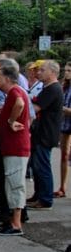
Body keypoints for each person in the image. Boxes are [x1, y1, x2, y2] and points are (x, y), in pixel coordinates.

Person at [0, 61, 30, 236]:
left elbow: (20, 104)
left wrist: (10, 120)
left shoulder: (15, 91)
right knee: (12, 182)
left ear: (7, 78)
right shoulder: (15, 92)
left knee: (15, 183)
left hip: (15, 146)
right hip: (12, 146)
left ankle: (16, 223)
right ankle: (13, 220)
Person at [28, 60, 64, 210]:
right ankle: (39, 194)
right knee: (37, 166)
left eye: (42, 70)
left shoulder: (52, 89)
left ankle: (45, 198)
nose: (38, 73)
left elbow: (35, 108)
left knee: (42, 166)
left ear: (52, 73)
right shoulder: (49, 88)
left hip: (46, 133)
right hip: (42, 132)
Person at [55, 62, 71, 198]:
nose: (66, 73)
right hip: (65, 125)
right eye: (65, 70)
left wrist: (63, 109)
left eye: (69, 71)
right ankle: (62, 186)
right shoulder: (64, 86)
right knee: (64, 155)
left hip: (67, 121)